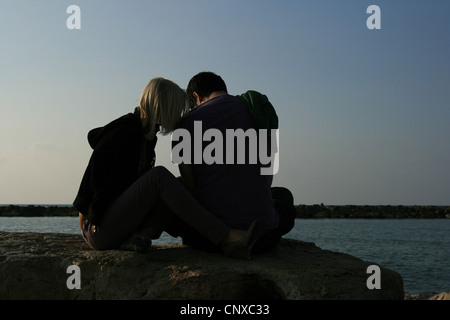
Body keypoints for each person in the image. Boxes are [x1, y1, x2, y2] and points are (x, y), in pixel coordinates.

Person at [73, 77, 258, 258]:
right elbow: (90, 186)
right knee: (159, 176)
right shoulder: (124, 132)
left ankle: (141, 237)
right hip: (97, 227)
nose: (181, 115)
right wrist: (88, 223)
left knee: (179, 184)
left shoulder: (146, 136)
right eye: (177, 109)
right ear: (164, 106)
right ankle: (226, 236)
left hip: (119, 224)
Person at [170, 72, 296, 256]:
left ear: (196, 96)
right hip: (264, 239)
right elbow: (267, 179)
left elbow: (192, 190)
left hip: (212, 240)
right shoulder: (258, 111)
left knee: (173, 192)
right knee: (283, 195)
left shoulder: (185, 124)